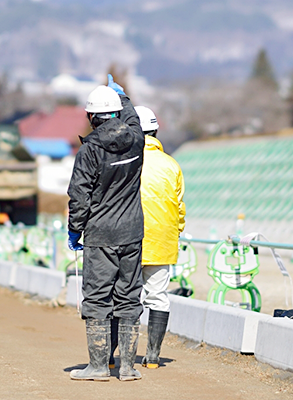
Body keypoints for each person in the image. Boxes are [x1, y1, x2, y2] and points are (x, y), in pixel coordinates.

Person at [67, 74, 145, 382]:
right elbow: (134, 119)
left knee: (98, 298)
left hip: (101, 235)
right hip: (132, 232)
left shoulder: (89, 151)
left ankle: (99, 366)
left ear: (90, 117)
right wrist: (122, 97)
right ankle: (127, 367)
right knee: (129, 296)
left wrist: (75, 230)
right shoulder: (138, 140)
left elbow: (79, 195)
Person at [134, 105, 186, 369]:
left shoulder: (128, 161)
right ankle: (153, 357)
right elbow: (179, 209)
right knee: (158, 296)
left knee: (125, 296)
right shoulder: (171, 164)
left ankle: (112, 357)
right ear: (155, 131)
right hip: (162, 242)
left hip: (129, 240)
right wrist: (174, 232)